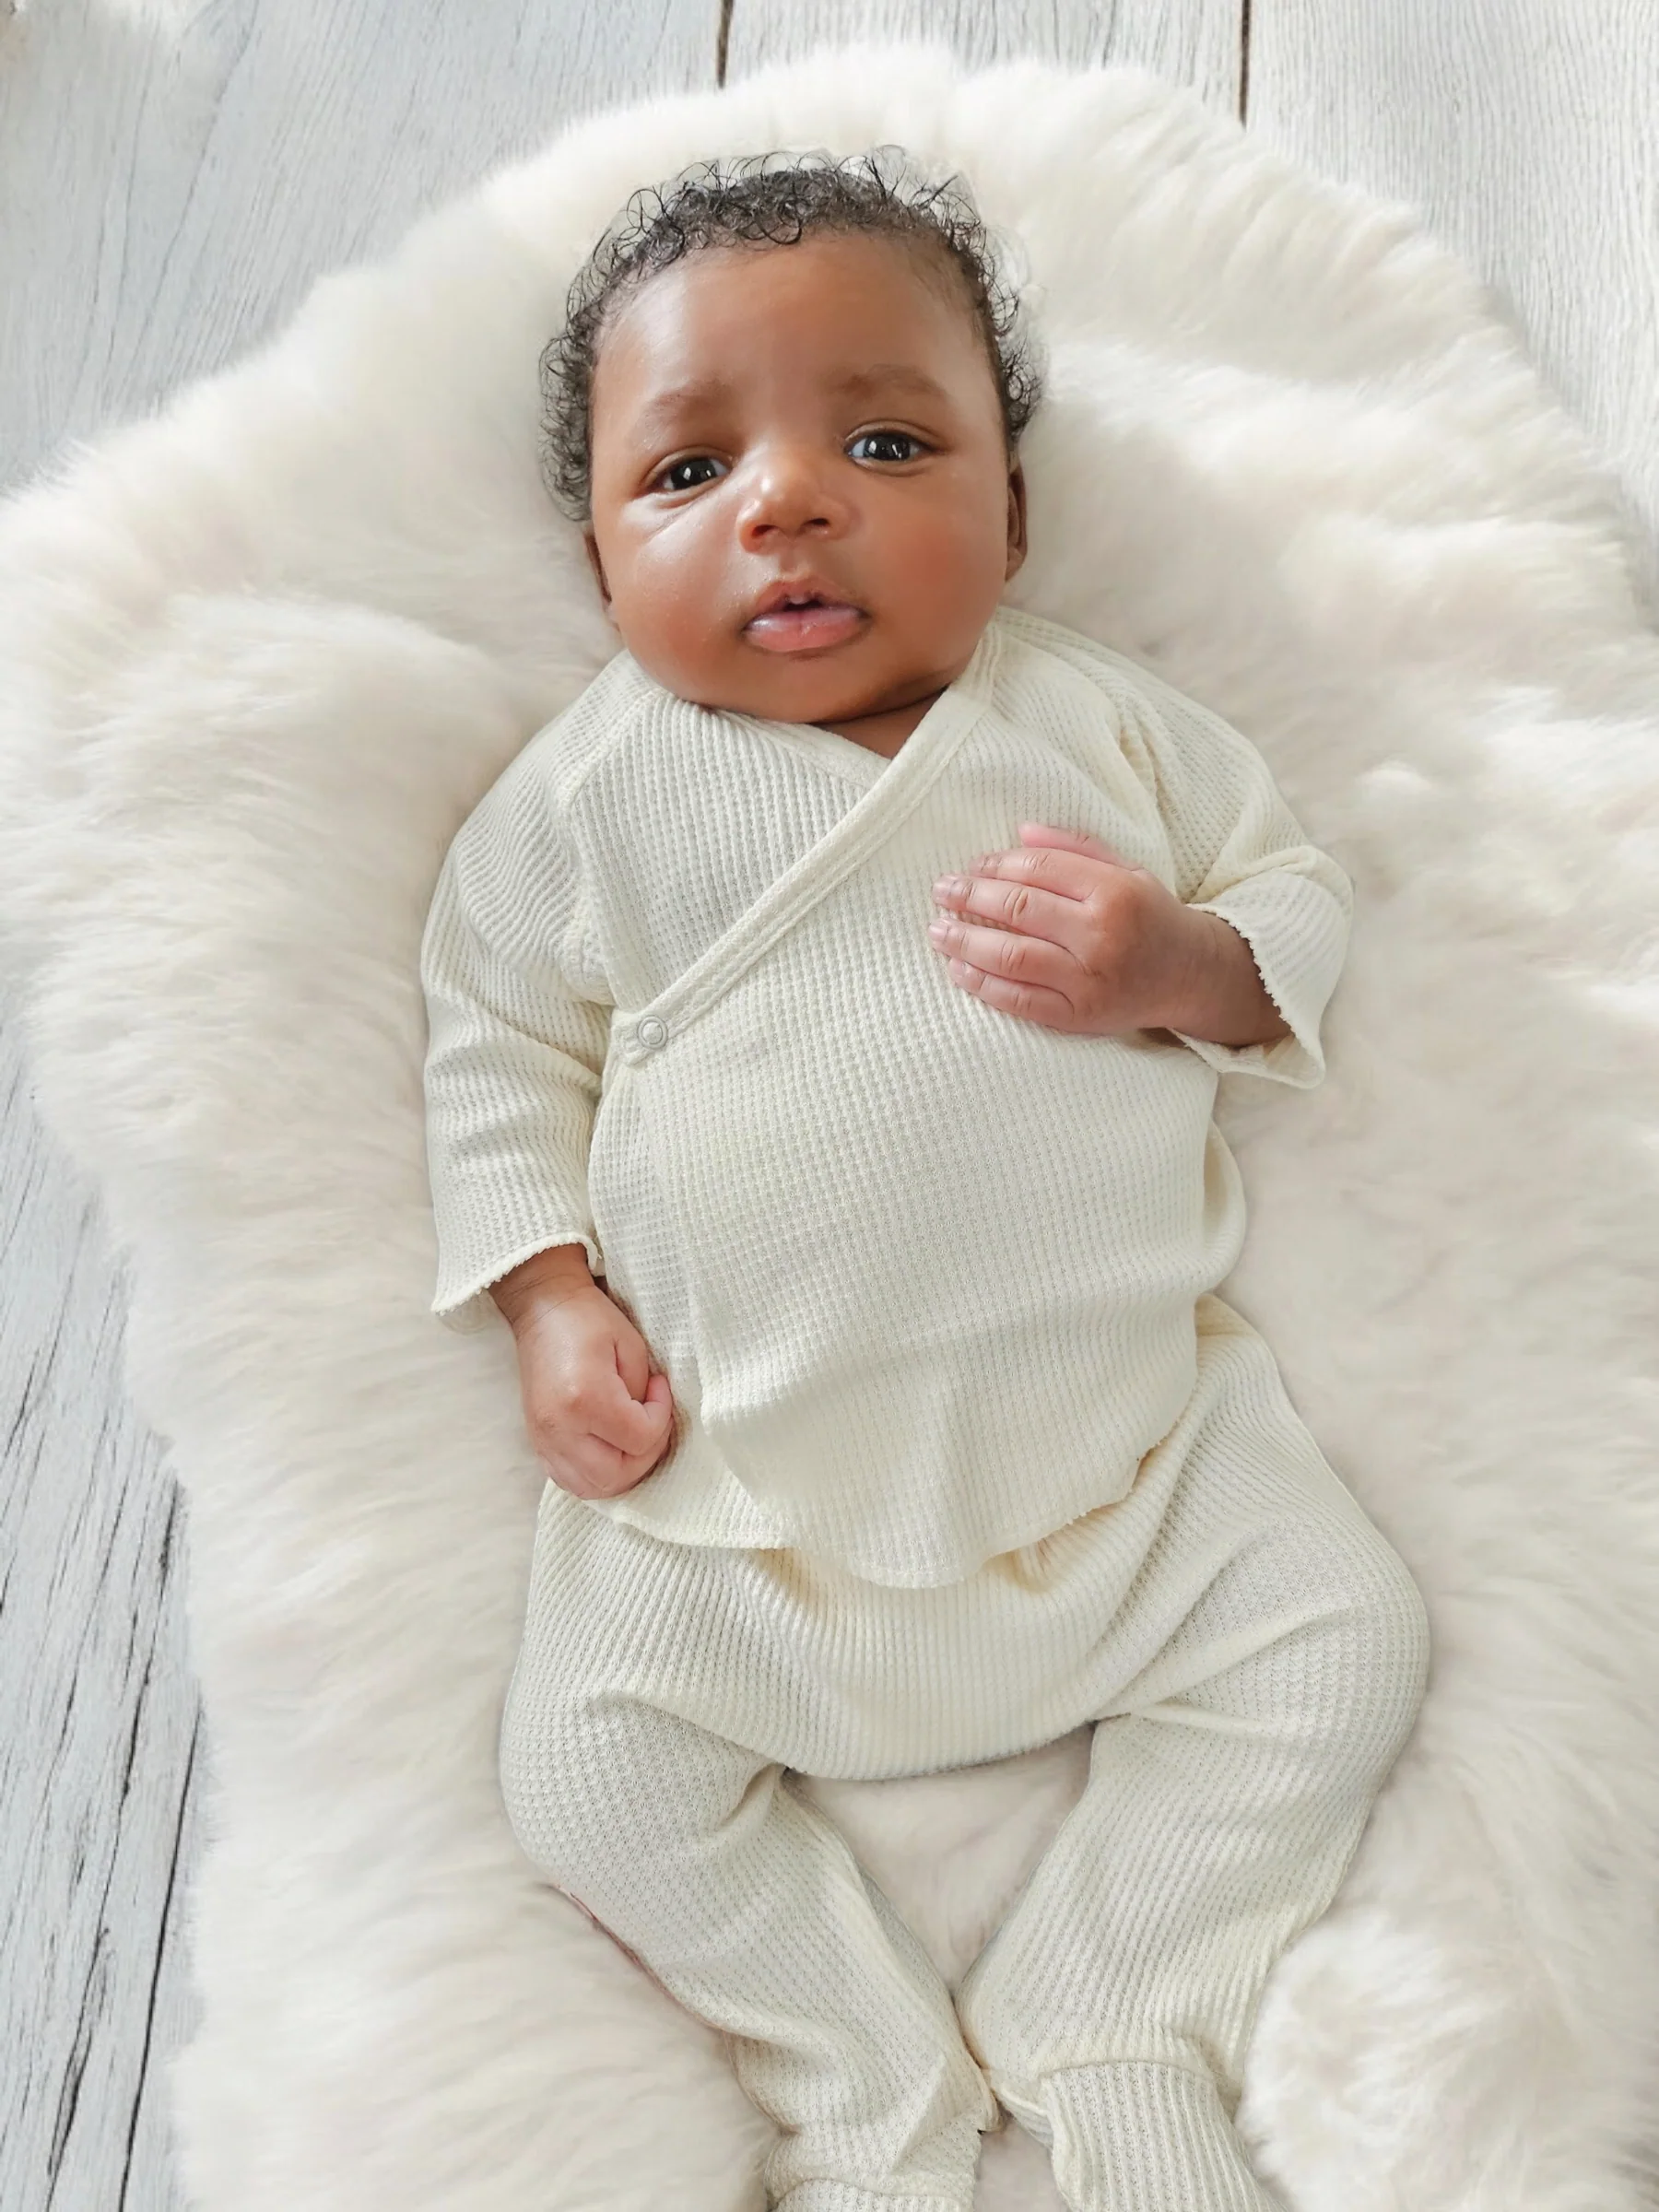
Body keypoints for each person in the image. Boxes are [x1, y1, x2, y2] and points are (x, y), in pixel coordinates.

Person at [420, 147, 1430, 2212]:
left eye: (884, 439)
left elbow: (1293, 899)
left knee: (1343, 1639)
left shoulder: (1103, 730)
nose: (789, 500)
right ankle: (866, 2085)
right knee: (587, 1774)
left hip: (1128, 1484)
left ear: (1015, 510)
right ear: (605, 557)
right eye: (687, 472)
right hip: (747, 1528)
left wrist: (1180, 966)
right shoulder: (590, 800)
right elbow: (494, 1046)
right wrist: (544, 1294)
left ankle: (1116, 2001)